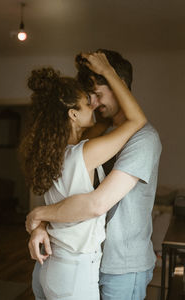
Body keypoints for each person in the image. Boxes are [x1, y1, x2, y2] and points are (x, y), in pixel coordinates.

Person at [26, 49, 162, 300]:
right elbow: (67, 192)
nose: (95, 104)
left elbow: (96, 203)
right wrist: (41, 225)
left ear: (120, 86)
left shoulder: (144, 139)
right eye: (89, 99)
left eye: (98, 95)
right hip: (84, 261)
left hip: (120, 267)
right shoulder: (93, 137)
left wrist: (38, 215)